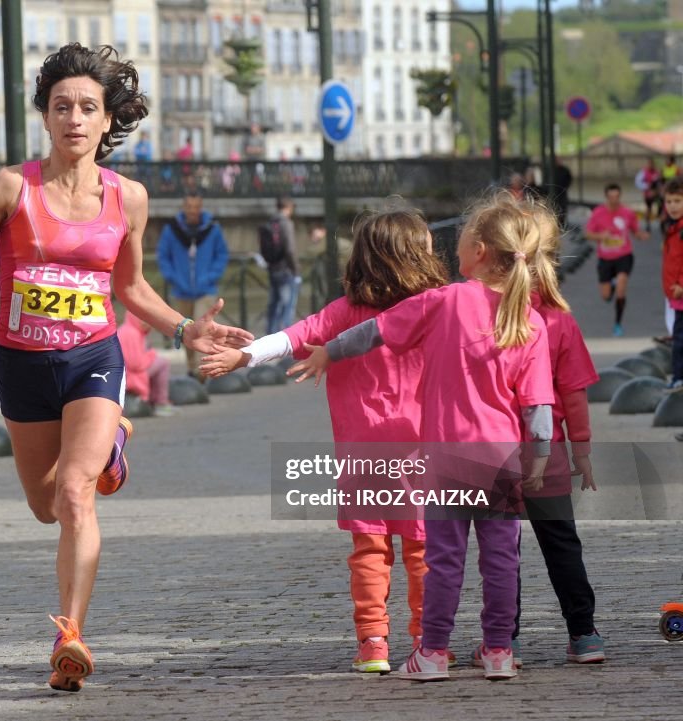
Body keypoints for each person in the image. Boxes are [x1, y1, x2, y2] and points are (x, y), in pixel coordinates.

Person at [0, 44, 252, 693]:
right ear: (45, 116)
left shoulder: (128, 198)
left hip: (94, 358)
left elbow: (130, 288)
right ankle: (114, 446)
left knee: (76, 491)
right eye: (62, 105)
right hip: (22, 362)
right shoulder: (14, 186)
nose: (74, 117)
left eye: (88, 108)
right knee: (45, 505)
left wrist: (185, 329)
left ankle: (69, 634)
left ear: (107, 122)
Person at [289, 192, 555, 681]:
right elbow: (539, 409)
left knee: (443, 559)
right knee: (501, 561)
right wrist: (539, 462)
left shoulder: (448, 299)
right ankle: (498, 650)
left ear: (477, 251)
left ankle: (431, 651)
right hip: (501, 459)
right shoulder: (530, 321)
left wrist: (329, 351)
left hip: (445, 456)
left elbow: (376, 331)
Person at [201, 209, 449, 674]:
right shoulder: (433, 308)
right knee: (423, 550)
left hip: (361, 453)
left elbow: (290, 338)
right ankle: (428, 639)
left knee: (369, 550)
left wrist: (242, 357)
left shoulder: (343, 313)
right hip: (423, 448)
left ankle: (373, 642)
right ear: (415, 256)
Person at [472, 199, 604, 668]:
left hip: (496, 453)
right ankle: (584, 633)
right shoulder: (559, 320)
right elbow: (573, 397)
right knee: (562, 543)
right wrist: (582, 453)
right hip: (547, 456)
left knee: (501, 553)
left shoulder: (482, 314)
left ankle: (506, 639)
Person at [157, 193, 230, 378]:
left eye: (196, 207)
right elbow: (163, 256)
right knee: (185, 333)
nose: (192, 211)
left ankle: (202, 372)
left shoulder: (212, 229)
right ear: (184, 207)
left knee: (202, 331)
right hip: (180, 289)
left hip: (205, 290)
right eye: (188, 206)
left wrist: (211, 277)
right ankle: (191, 368)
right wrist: (173, 277)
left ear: (201, 207)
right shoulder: (172, 230)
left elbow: (221, 255)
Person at [584, 183, 649, 336]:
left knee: (622, 287)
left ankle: (618, 324)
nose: (614, 200)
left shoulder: (627, 213)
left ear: (620, 196)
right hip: (605, 258)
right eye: (611, 197)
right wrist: (601, 236)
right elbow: (588, 234)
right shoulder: (598, 213)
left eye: (617, 197)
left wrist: (641, 235)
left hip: (624, 256)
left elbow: (635, 230)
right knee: (606, 296)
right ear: (606, 197)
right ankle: (612, 284)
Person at [117, 312, 177, 417]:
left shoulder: (131, 330)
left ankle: (155, 400)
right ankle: (160, 402)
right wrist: (151, 355)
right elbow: (135, 364)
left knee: (159, 362)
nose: (147, 323)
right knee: (163, 363)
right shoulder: (131, 333)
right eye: (142, 320)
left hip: (123, 373)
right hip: (128, 375)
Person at [262, 197, 300, 335]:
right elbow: (290, 249)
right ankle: (285, 339)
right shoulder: (286, 223)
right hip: (286, 270)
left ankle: (270, 336)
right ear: (289, 207)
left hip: (273, 268)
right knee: (287, 305)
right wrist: (296, 271)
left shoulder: (270, 222)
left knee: (273, 304)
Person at [661, 178, 683, 392]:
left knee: (680, 340)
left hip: (680, 293)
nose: (673, 206)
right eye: (669, 201)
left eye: (678, 201)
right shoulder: (673, 228)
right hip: (675, 297)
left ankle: (679, 377)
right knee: (678, 338)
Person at [636, 157, 662, 230]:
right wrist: (647, 186)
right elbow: (638, 183)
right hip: (648, 194)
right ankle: (648, 224)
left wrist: (658, 190)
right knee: (648, 208)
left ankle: (660, 222)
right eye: (649, 164)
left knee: (660, 206)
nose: (651, 165)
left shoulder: (657, 172)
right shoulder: (643, 172)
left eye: (652, 164)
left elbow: (660, 182)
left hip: (657, 194)